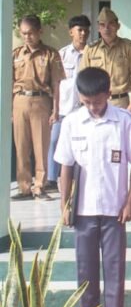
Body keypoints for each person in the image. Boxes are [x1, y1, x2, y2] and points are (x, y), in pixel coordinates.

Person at [55, 67, 131, 307]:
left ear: (109, 94)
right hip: (82, 210)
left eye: (97, 101)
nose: (93, 107)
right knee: (85, 265)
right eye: (86, 102)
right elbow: (65, 166)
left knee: (114, 263)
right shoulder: (72, 122)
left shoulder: (124, 121)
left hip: (114, 207)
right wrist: (64, 205)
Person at [11, 15, 65, 201]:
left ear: (39, 32)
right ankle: (24, 187)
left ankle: (39, 186)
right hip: (20, 101)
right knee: (21, 147)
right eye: (24, 33)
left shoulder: (50, 54)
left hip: (41, 101)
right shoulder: (16, 54)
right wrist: (9, 108)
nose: (27, 37)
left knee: (41, 147)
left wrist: (56, 110)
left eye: (31, 33)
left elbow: (57, 84)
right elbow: (9, 82)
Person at [46, 15, 91, 193]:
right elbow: (55, 82)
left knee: (84, 144)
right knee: (55, 140)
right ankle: (51, 178)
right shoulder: (61, 55)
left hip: (85, 108)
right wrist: (54, 108)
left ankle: (80, 179)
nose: (83, 34)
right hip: (64, 108)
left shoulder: (93, 53)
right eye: (79, 30)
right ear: (71, 31)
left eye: (86, 30)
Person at [80, 7, 131, 114]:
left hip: (121, 103)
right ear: (98, 28)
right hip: (96, 103)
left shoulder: (128, 47)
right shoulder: (90, 49)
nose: (106, 29)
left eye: (111, 24)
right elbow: (83, 79)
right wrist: (84, 103)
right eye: (102, 25)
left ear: (118, 26)